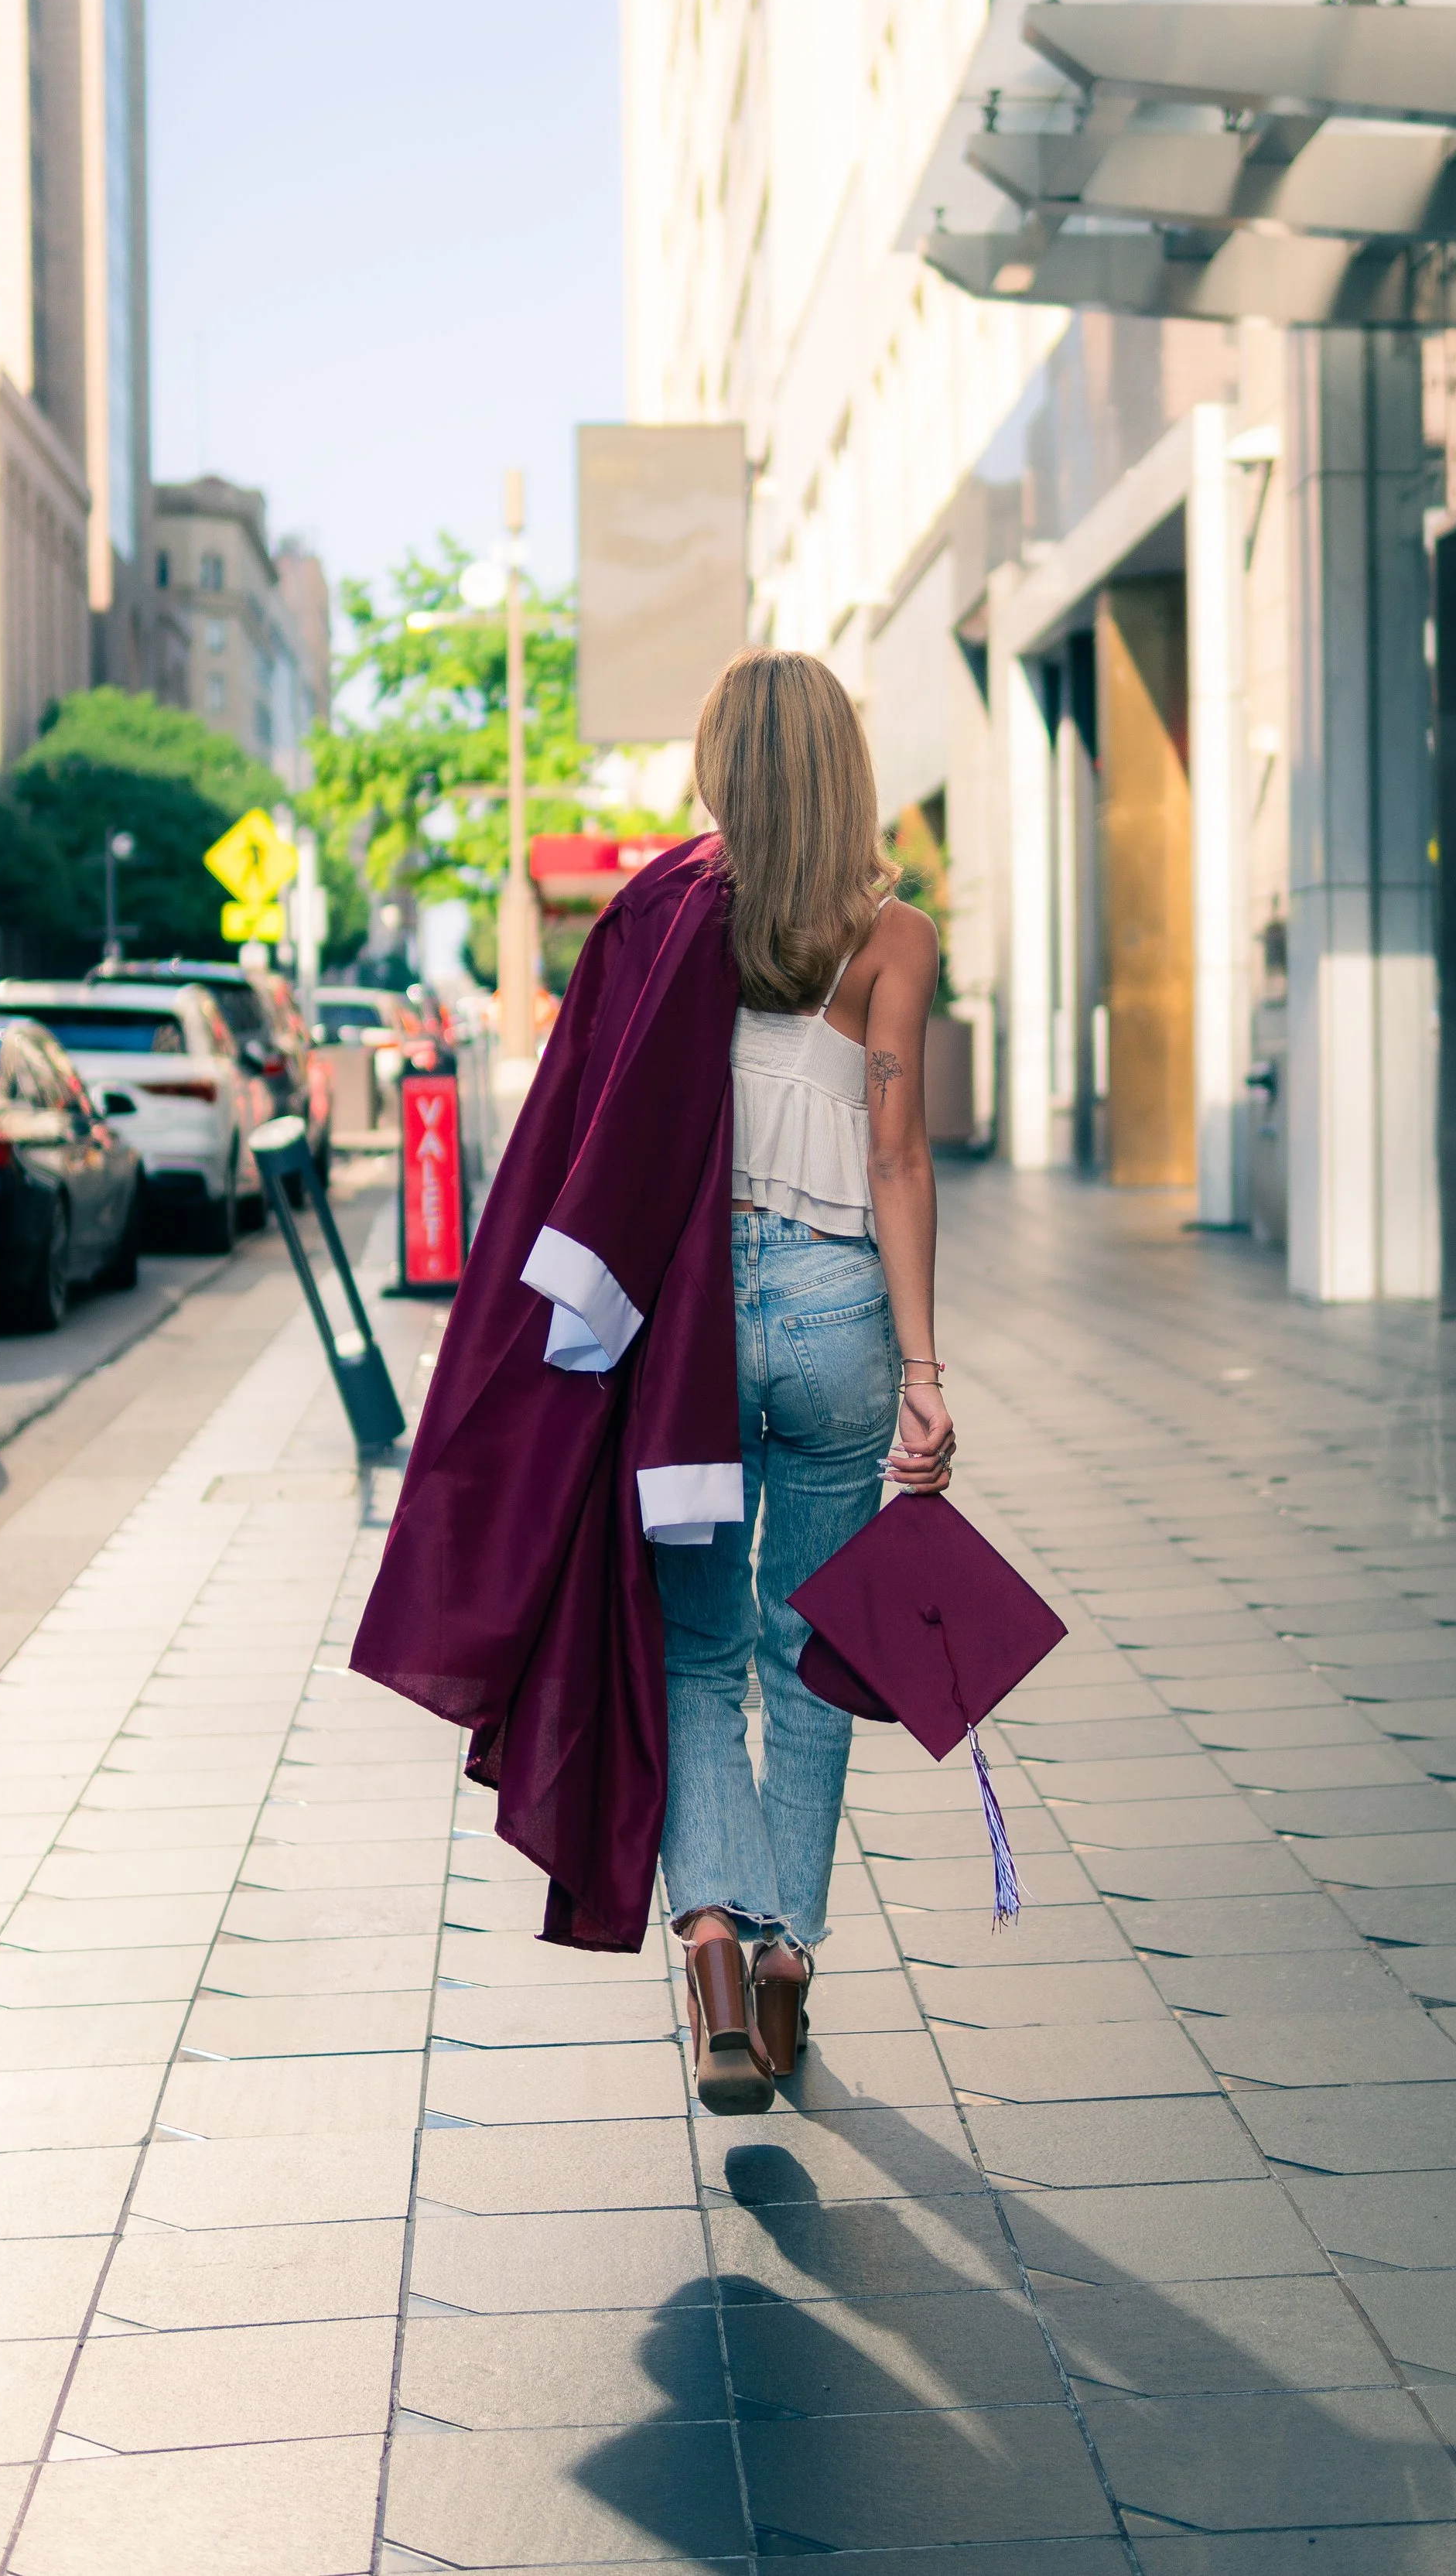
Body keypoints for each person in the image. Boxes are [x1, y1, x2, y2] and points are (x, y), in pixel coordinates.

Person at [662, 649, 955, 2113]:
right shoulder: (893, 940)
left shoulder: (680, 924)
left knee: (699, 1649)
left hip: (704, 1323)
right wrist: (921, 1366)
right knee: (810, 1651)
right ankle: (786, 1967)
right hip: (843, 1313)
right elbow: (899, 1157)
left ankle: (710, 1940)